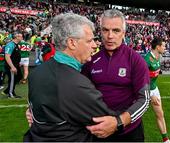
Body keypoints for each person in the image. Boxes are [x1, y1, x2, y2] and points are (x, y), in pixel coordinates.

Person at [24, 13, 123, 142]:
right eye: (89, 40)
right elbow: (106, 121)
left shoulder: (37, 72)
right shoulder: (76, 85)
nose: (94, 45)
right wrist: (122, 120)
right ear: (72, 43)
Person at [81, 9, 150, 142]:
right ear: (100, 31)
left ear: (123, 33)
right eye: (105, 30)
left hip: (129, 132)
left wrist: (118, 122)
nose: (110, 36)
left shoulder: (135, 60)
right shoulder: (91, 60)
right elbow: (77, 92)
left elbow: (145, 100)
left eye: (116, 31)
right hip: (99, 130)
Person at [144, 37, 170, 143]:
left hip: (154, 88)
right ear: (158, 47)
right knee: (135, 117)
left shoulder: (158, 56)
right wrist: (150, 94)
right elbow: (142, 79)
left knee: (160, 114)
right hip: (147, 90)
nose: (165, 47)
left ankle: (166, 140)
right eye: (163, 46)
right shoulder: (147, 59)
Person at [1, 32, 23, 98]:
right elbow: (7, 56)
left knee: (19, 76)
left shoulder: (16, 44)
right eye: (21, 36)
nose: (22, 38)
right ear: (17, 37)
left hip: (16, 65)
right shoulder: (10, 45)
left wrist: (18, 63)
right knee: (12, 79)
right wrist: (12, 67)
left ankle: (7, 91)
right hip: (11, 66)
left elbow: (15, 55)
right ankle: (11, 94)